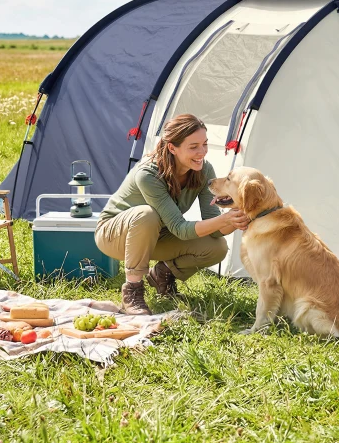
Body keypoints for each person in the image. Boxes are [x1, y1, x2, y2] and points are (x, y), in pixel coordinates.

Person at [95, 113, 250, 314]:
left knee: (217, 247)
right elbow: (179, 228)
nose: (202, 152)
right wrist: (225, 219)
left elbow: (214, 227)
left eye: (205, 144)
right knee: (147, 215)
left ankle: (162, 274)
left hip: (159, 233)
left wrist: (236, 217)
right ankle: (132, 292)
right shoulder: (148, 174)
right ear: (172, 148)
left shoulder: (203, 171)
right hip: (115, 235)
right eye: (193, 147)